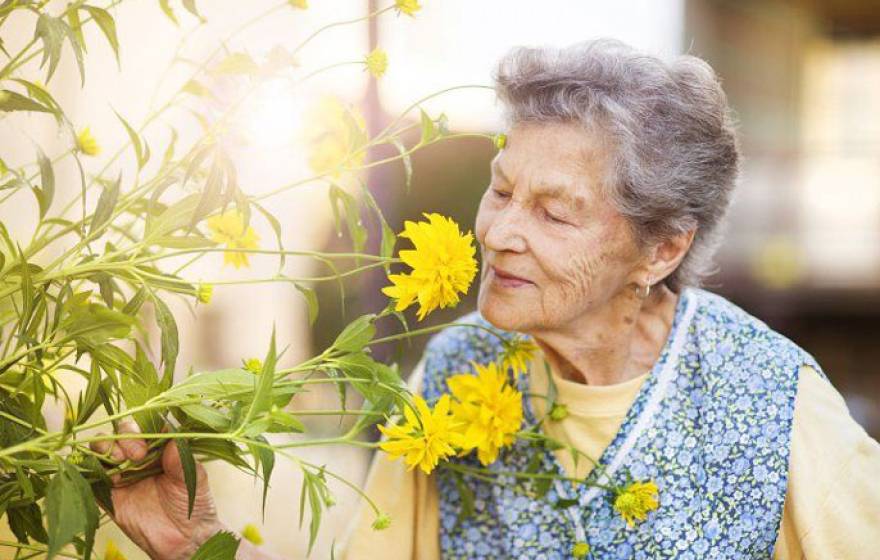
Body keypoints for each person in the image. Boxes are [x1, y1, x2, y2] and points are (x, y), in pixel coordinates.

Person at [94, 39, 880, 559]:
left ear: (663, 247)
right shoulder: (454, 369)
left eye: (554, 211)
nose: (500, 230)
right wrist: (197, 547)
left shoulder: (772, 398)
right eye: (501, 190)